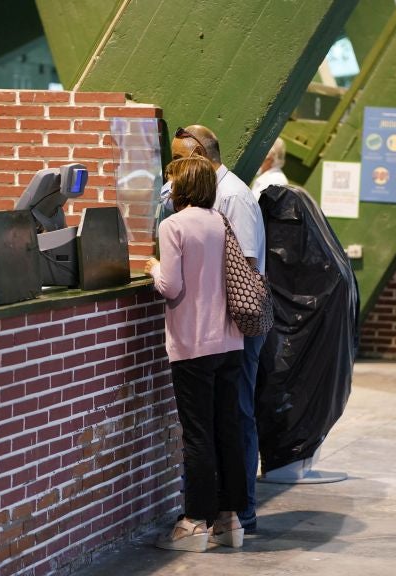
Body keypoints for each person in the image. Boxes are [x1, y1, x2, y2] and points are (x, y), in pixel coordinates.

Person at [144, 156, 247, 552]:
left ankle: (193, 524)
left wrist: (153, 266)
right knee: (227, 429)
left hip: (192, 344)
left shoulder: (172, 225)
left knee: (199, 435)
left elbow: (170, 286)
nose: (166, 187)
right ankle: (229, 520)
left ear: (181, 185)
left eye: (170, 180)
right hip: (229, 340)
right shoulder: (221, 222)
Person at [170, 125, 266, 533]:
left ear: (197, 157)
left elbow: (242, 269)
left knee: (235, 417)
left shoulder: (233, 198)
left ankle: (237, 512)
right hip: (223, 329)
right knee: (226, 421)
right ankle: (227, 515)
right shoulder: (213, 201)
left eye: (177, 159)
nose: (170, 167)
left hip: (234, 324)